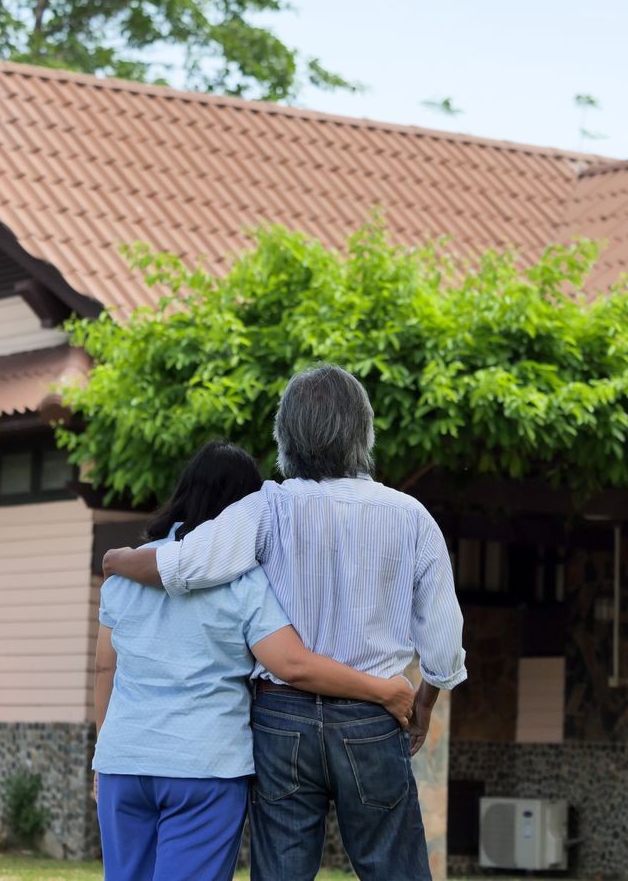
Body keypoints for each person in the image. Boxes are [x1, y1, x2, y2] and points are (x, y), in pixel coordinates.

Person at [103, 365, 466, 881]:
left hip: (281, 722)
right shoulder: (411, 515)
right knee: (395, 870)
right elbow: (444, 642)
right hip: (373, 718)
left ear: (286, 436)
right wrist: (423, 707)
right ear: (364, 433)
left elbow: (182, 566)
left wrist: (119, 559)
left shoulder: (266, 507)